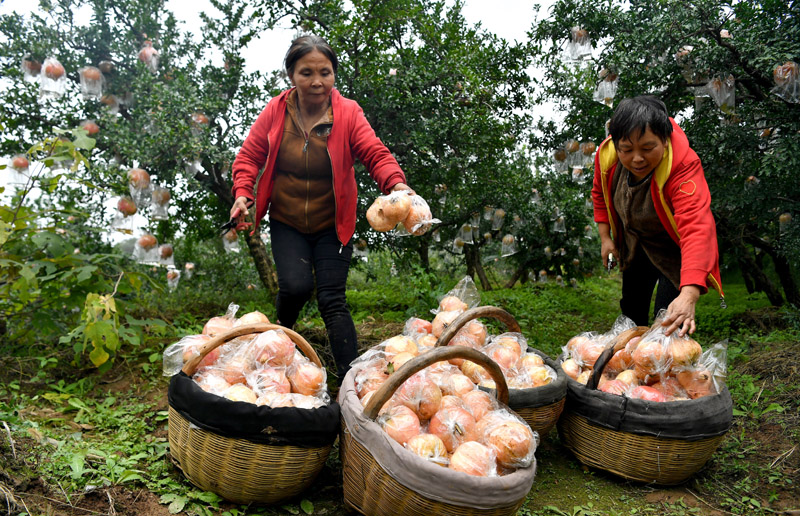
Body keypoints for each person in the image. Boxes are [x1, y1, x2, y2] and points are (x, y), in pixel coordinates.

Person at [230, 35, 412, 379]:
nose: (317, 81)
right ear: (291, 75)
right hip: (287, 220)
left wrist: (396, 184)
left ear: (334, 75)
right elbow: (250, 156)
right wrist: (243, 193)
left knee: (332, 298)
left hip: (333, 224)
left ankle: (350, 383)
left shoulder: (348, 113)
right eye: (306, 73)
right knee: (295, 287)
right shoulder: (275, 111)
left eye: (325, 73)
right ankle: (277, 337)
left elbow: (374, 152)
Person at [591, 95, 724, 337]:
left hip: (672, 249)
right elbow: (599, 194)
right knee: (631, 314)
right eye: (627, 150)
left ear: (664, 139)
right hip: (635, 243)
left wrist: (690, 293)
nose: (637, 158)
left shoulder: (683, 167)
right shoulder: (606, 156)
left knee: (667, 321)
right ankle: (630, 368)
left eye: (648, 148)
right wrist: (605, 238)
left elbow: (697, 228)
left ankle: (665, 369)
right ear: (616, 144)